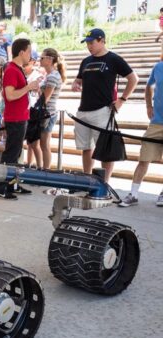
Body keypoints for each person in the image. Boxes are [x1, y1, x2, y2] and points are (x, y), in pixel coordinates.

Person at [72, 28, 138, 181]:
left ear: (102, 41)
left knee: (105, 150)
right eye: (87, 43)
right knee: (85, 148)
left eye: (92, 43)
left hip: (103, 110)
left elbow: (133, 78)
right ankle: (87, 179)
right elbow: (79, 79)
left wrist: (122, 99)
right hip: (83, 110)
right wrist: (76, 83)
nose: (89, 46)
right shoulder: (86, 61)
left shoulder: (113, 59)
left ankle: (104, 183)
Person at [0, 38, 41, 200]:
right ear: (21, 52)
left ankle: (11, 184)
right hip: (15, 118)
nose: (31, 55)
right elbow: (10, 95)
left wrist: (30, 88)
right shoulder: (12, 69)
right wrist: (28, 87)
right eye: (29, 51)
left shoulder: (16, 69)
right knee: (10, 155)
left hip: (20, 117)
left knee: (16, 154)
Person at [118, 58, 163, 207]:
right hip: (156, 123)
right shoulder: (158, 66)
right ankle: (134, 194)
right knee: (144, 159)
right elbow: (148, 86)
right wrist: (148, 106)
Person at [29, 48, 65, 170]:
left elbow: (46, 98)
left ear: (50, 60)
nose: (40, 60)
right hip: (46, 112)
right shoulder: (50, 75)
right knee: (40, 143)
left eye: (42, 58)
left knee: (44, 144)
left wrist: (37, 90)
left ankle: (46, 169)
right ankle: (42, 168)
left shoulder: (53, 76)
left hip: (47, 113)